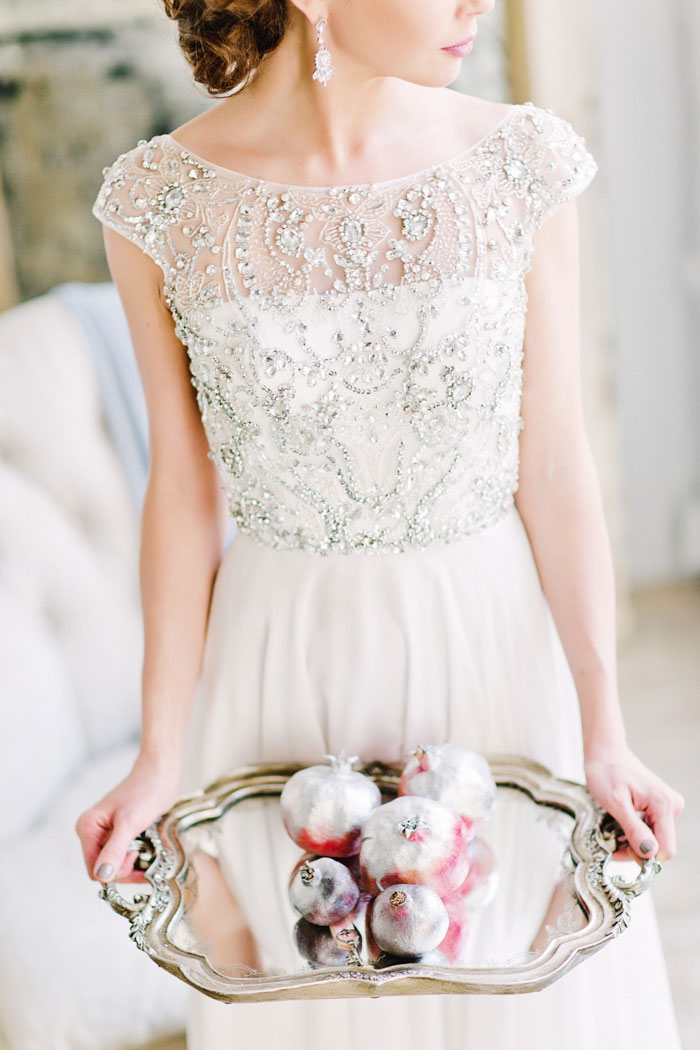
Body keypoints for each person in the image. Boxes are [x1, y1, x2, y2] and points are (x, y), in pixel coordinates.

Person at [75, 1, 686, 1047]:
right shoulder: (159, 202)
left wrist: (604, 729)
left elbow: (552, 459)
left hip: (489, 645)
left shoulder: (516, 164)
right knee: (314, 992)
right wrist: (158, 757)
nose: (473, 7)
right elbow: (181, 491)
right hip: (278, 668)